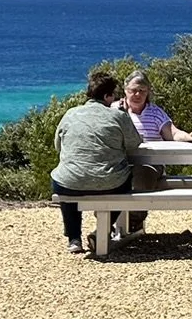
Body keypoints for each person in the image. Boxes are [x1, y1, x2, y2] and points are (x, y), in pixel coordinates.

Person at [51, 69, 145, 256]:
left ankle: (74, 239)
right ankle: (104, 228)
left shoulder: (70, 114)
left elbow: (58, 146)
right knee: (126, 180)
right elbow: (135, 144)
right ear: (108, 96)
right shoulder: (118, 116)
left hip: (68, 184)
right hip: (110, 183)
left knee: (68, 176)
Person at [118, 70, 192, 236]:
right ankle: (108, 226)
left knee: (142, 173)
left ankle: (133, 221)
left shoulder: (155, 112)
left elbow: (172, 132)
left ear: (148, 91)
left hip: (150, 164)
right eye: (133, 90)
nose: (137, 94)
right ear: (125, 90)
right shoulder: (115, 111)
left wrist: (189, 137)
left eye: (142, 90)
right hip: (120, 163)